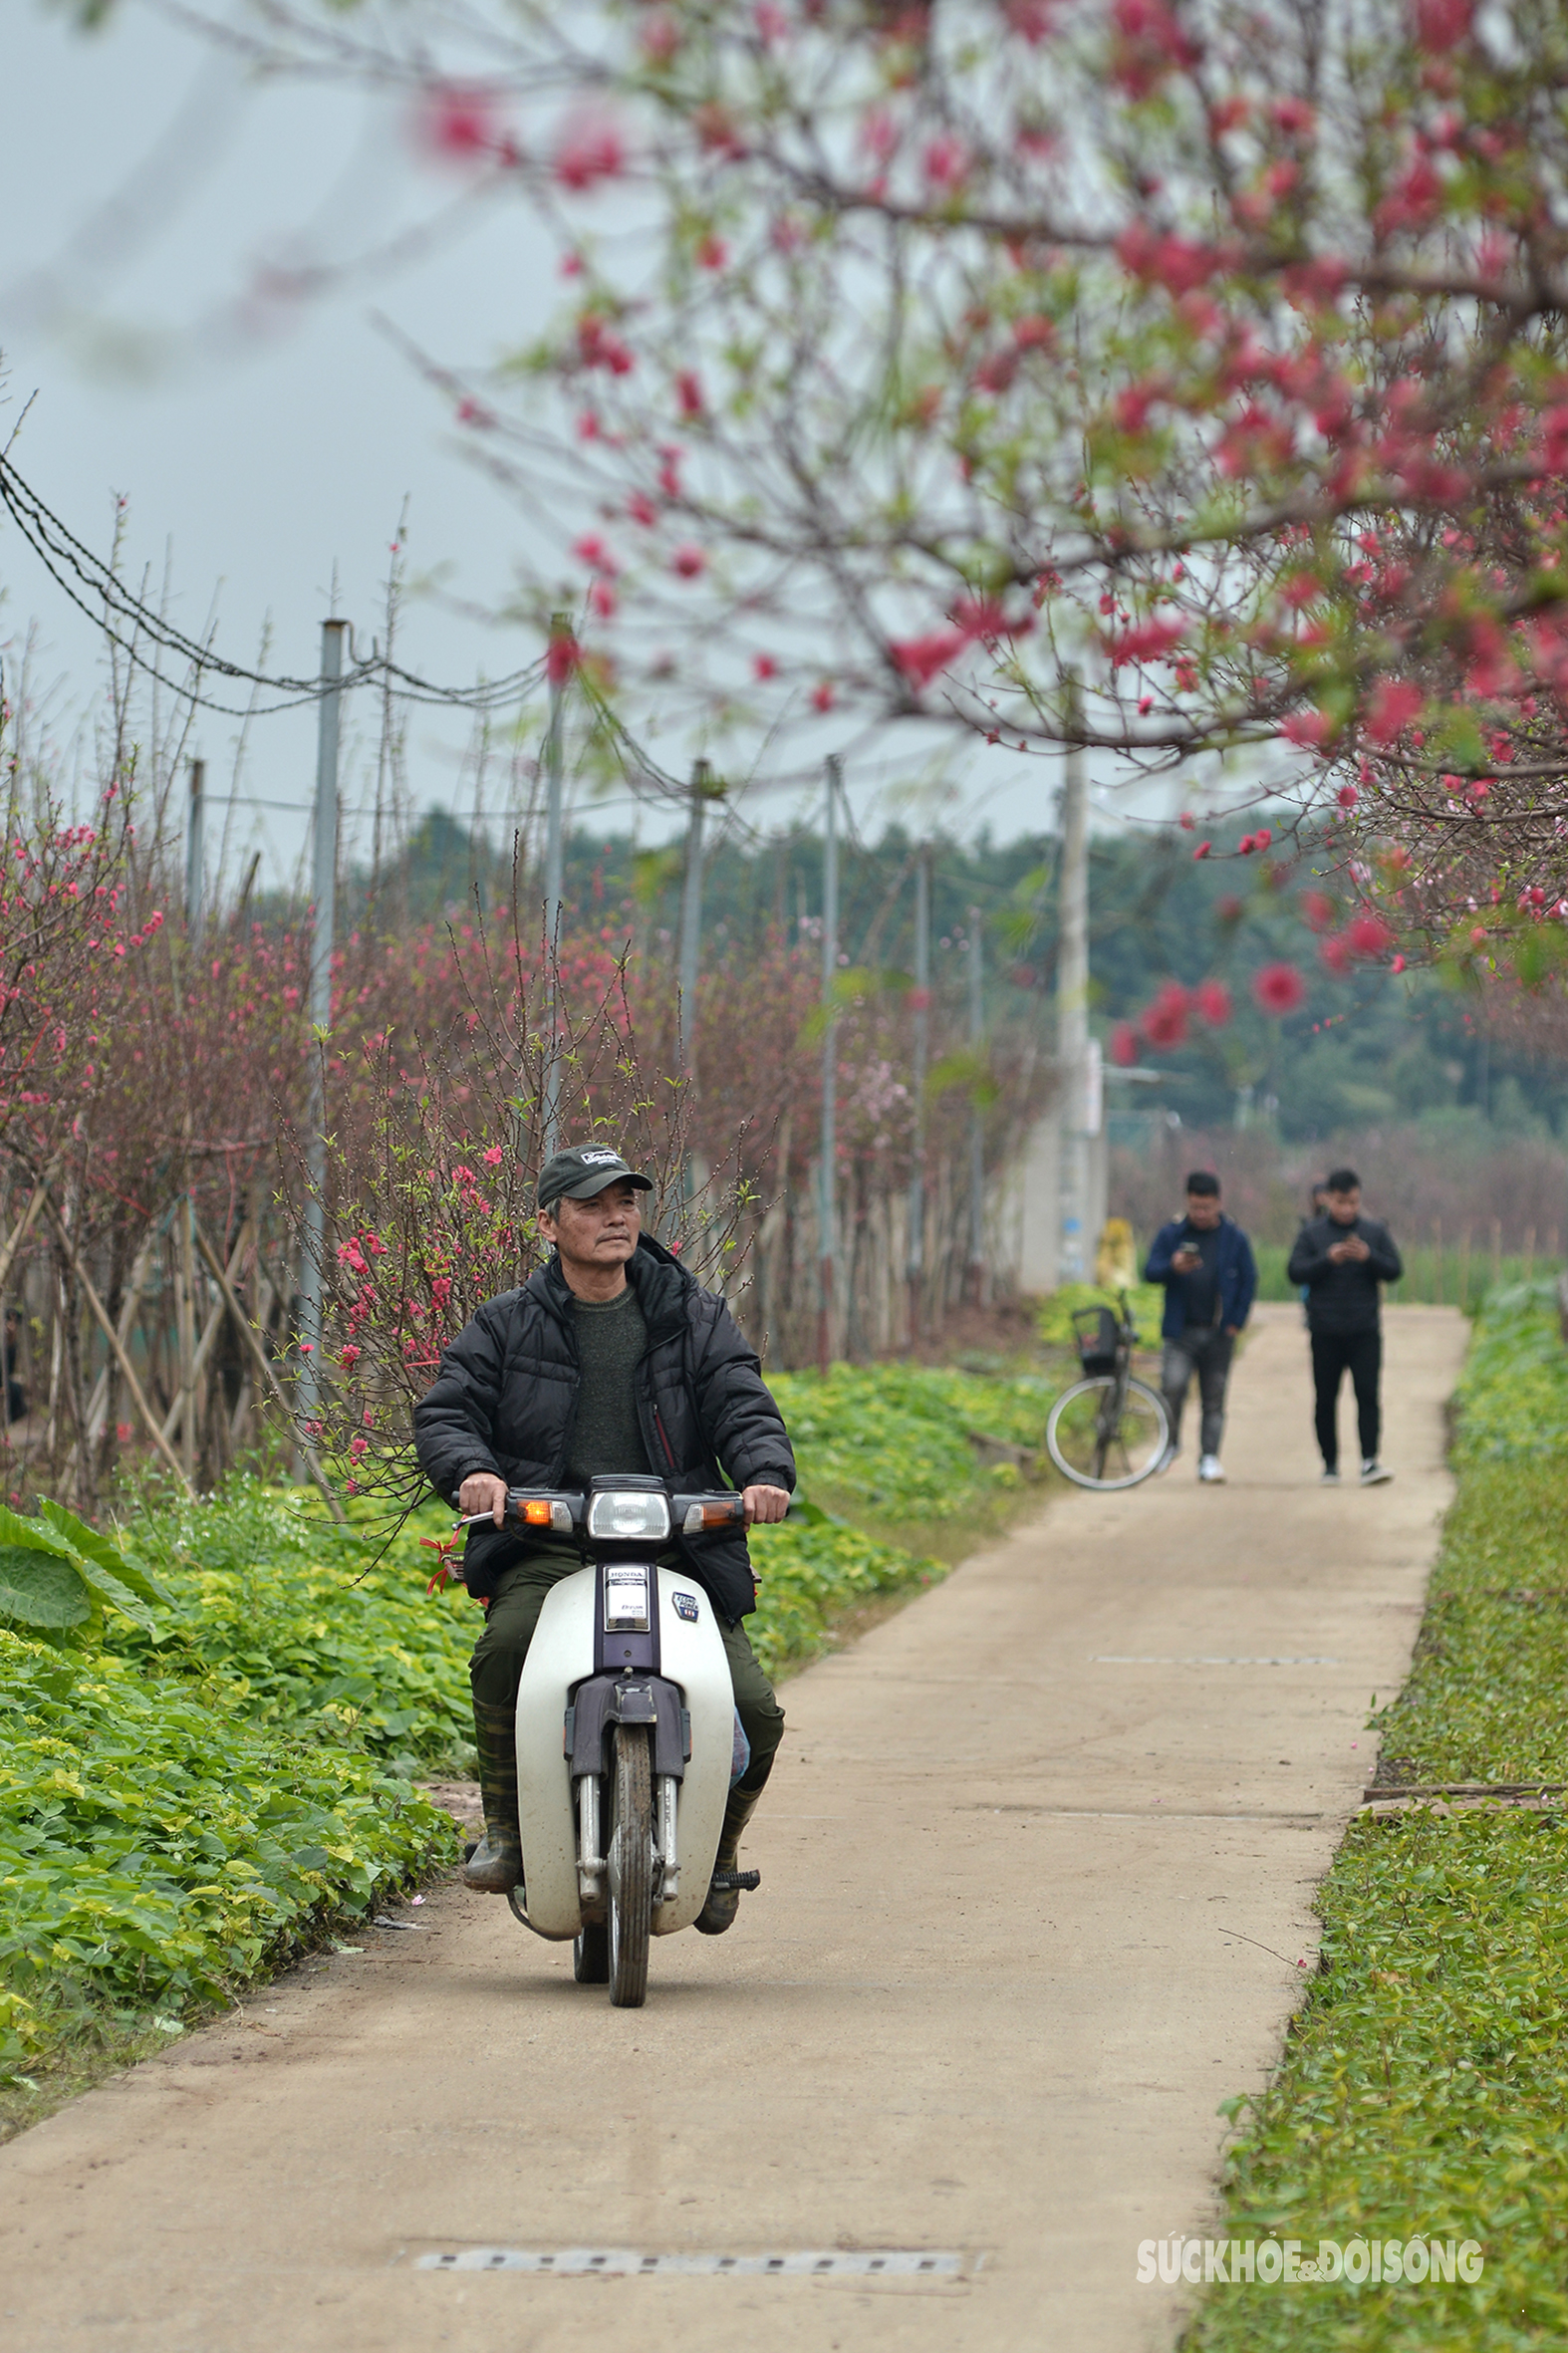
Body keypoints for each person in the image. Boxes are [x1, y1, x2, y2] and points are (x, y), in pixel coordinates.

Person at [413, 1143, 795, 1932]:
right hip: (551, 1540)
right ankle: (509, 1831)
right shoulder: (506, 1323)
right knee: (506, 1648)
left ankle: (717, 1851)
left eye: (625, 1200)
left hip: (677, 1540)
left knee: (752, 1707)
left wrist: (764, 1475)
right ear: (548, 1225)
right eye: (590, 1204)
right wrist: (476, 1475)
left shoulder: (691, 1313)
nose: (614, 1216)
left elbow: (741, 1401)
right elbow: (447, 1413)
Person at [1286, 1167, 1402, 1486]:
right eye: (1340, 1202)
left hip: (1364, 1330)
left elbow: (1394, 1270)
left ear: (1359, 1199)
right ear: (1328, 1199)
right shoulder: (1312, 1233)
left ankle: (1369, 1461)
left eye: (1352, 1202)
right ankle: (1330, 1464)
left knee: (1367, 1395)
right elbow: (1295, 1271)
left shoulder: (1375, 1232)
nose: (1346, 1209)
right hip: (1325, 1331)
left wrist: (1368, 1257)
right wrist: (1328, 1259)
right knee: (1325, 1398)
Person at [1144, 1172, 1258, 1484]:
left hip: (1219, 1330)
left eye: (1207, 1207)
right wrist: (1172, 1266)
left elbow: (1249, 1280)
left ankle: (1209, 1457)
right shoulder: (1172, 1235)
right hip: (1180, 1330)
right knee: (1173, 1385)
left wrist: (1236, 1320)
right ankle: (1170, 1444)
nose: (1201, 1214)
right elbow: (1149, 1270)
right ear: (1187, 1202)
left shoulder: (1234, 1238)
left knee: (1214, 1397)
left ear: (1219, 1203)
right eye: (1195, 1207)